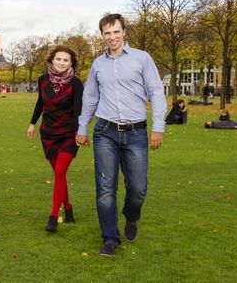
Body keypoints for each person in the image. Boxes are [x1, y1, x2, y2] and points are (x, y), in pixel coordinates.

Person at [75, 13, 166, 256]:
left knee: (138, 189)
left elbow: (156, 92)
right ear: (102, 35)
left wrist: (158, 126)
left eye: (116, 31)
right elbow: (90, 97)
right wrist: (82, 128)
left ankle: (132, 215)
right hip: (105, 132)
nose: (112, 37)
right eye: (107, 33)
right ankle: (110, 238)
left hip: (136, 132)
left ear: (124, 31)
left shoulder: (142, 59)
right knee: (105, 188)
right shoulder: (98, 64)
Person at [27, 45, 83, 233]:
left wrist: (79, 132)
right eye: (59, 59)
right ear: (52, 60)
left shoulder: (76, 84)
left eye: (66, 60)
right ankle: (68, 209)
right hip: (48, 134)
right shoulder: (42, 80)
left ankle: (53, 216)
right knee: (60, 174)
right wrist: (32, 123)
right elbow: (40, 103)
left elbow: (78, 110)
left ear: (71, 63)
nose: (61, 63)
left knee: (59, 172)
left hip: (69, 134)